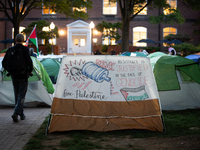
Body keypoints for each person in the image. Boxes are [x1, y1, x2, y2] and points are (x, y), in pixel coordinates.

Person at [2, 34, 33, 122]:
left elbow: (4, 63)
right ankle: (16, 113)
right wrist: (29, 70)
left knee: (17, 94)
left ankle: (21, 114)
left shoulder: (10, 49)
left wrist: (10, 71)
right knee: (21, 95)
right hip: (23, 75)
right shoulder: (25, 49)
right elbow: (29, 62)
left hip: (14, 75)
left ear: (15, 40)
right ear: (23, 40)